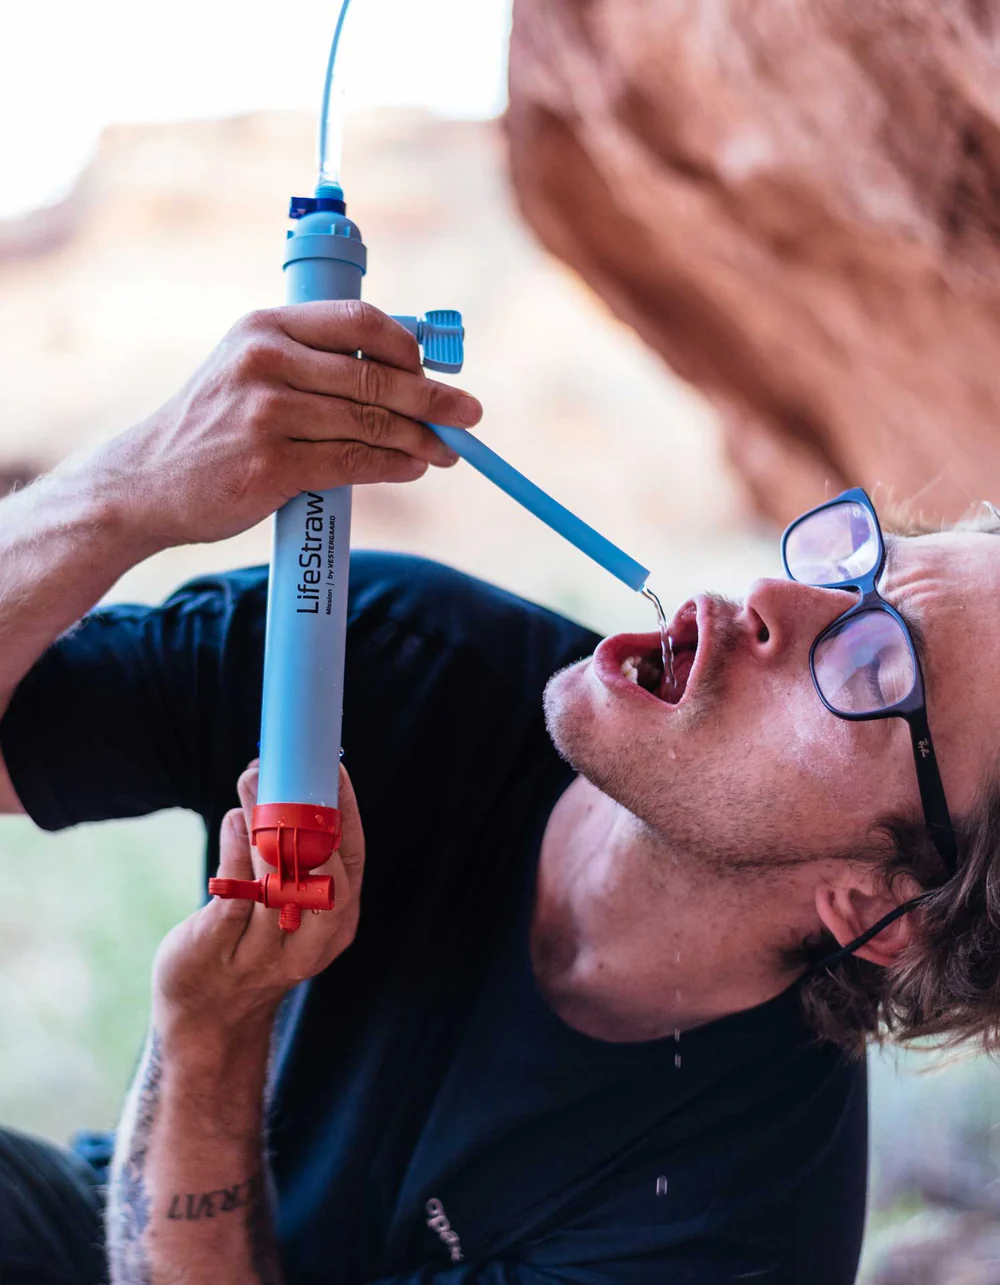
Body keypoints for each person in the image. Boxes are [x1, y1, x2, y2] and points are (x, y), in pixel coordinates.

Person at [4, 301, 995, 1285]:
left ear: (876, 906)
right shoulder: (400, 656)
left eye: (874, 669)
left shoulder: (734, 1232)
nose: (778, 594)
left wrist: (210, 1032)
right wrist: (125, 490)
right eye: (861, 569)